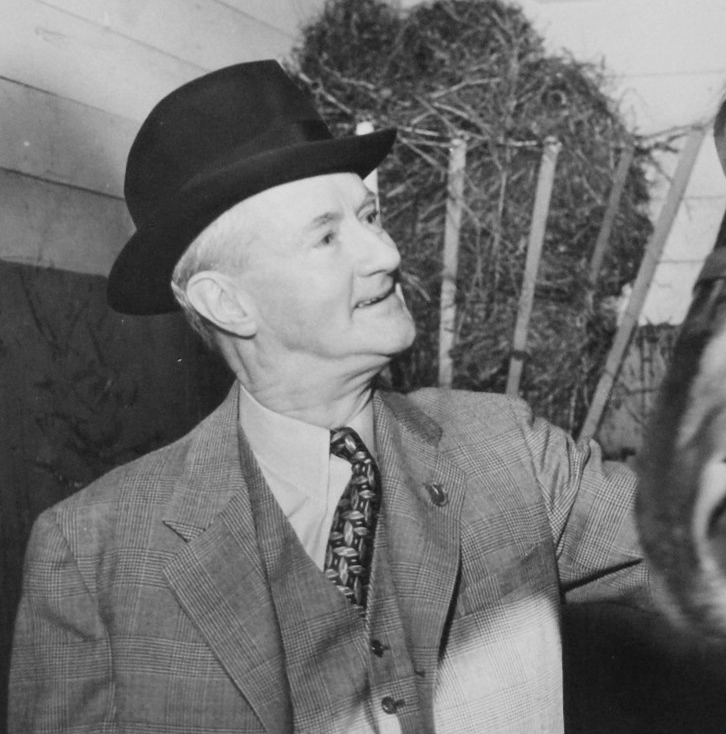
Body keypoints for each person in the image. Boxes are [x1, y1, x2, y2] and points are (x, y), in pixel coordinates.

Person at [9, 60, 646, 734]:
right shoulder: (93, 552)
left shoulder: (509, 450)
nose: (385, 255)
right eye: (327, 236)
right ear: (226, 302)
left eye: (370, 217)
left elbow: (710, 541)